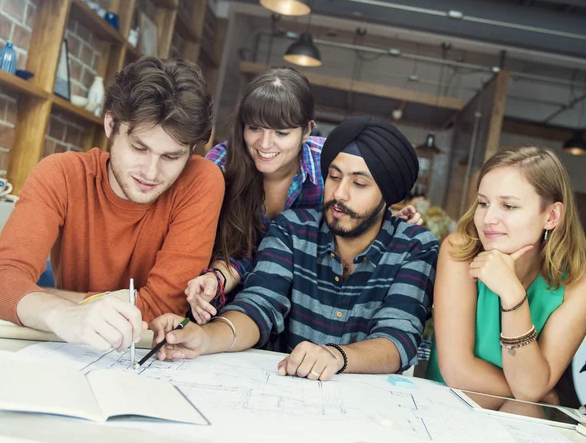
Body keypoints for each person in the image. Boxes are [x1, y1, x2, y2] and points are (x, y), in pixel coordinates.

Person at [150, 116, 439, 380]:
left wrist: (335, 357)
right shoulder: (292, 229)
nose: (339, 194)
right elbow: (258, 305)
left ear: (387, 195)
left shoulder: (414, 247)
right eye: (335, 177)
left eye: (360, 183)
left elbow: (398, 338)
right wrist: (204, 337)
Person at [0, 57, 224, 352]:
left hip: (151, 356)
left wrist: (45, 295)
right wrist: (64, 315)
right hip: (71, 350)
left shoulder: (200, 180)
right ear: (111, 124)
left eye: (171, 157)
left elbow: (160, 307)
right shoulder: (60, 174)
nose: (151, 172)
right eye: (140, 147)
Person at [186, 67, 421, 324]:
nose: (265, 144)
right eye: (254, 128)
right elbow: (221, 246)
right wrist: (216, 279)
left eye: (281, 133)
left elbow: (355, 217)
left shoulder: (330, 166)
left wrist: (387, 221)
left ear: (307, 130)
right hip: (223, 306)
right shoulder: (221, 165)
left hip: (303, 313)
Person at [426, 146, 586, 406]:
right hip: (448, 407)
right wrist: (537, 396)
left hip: (521, 421)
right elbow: (458, 372)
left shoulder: (578, 283)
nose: (488, 218)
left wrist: (512, 296)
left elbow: (530, 388)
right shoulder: (460, 251)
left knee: (522, 411)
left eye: (508, 206)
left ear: (552, 216)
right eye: (483, 203)